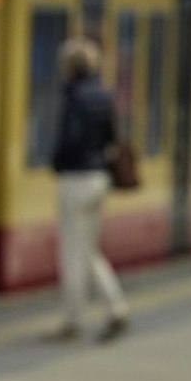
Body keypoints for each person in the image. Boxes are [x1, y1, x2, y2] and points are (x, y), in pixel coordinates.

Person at [50, 37, 131, 343]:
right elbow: (112, 136)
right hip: (100, 178)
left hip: (75, 179)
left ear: (71, 67)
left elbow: (70, 139)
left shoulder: (74, 96)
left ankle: (73, 320)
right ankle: (116, 308)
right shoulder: (104, 95)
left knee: (72, 252)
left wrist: (57, 162)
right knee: (89, 249)